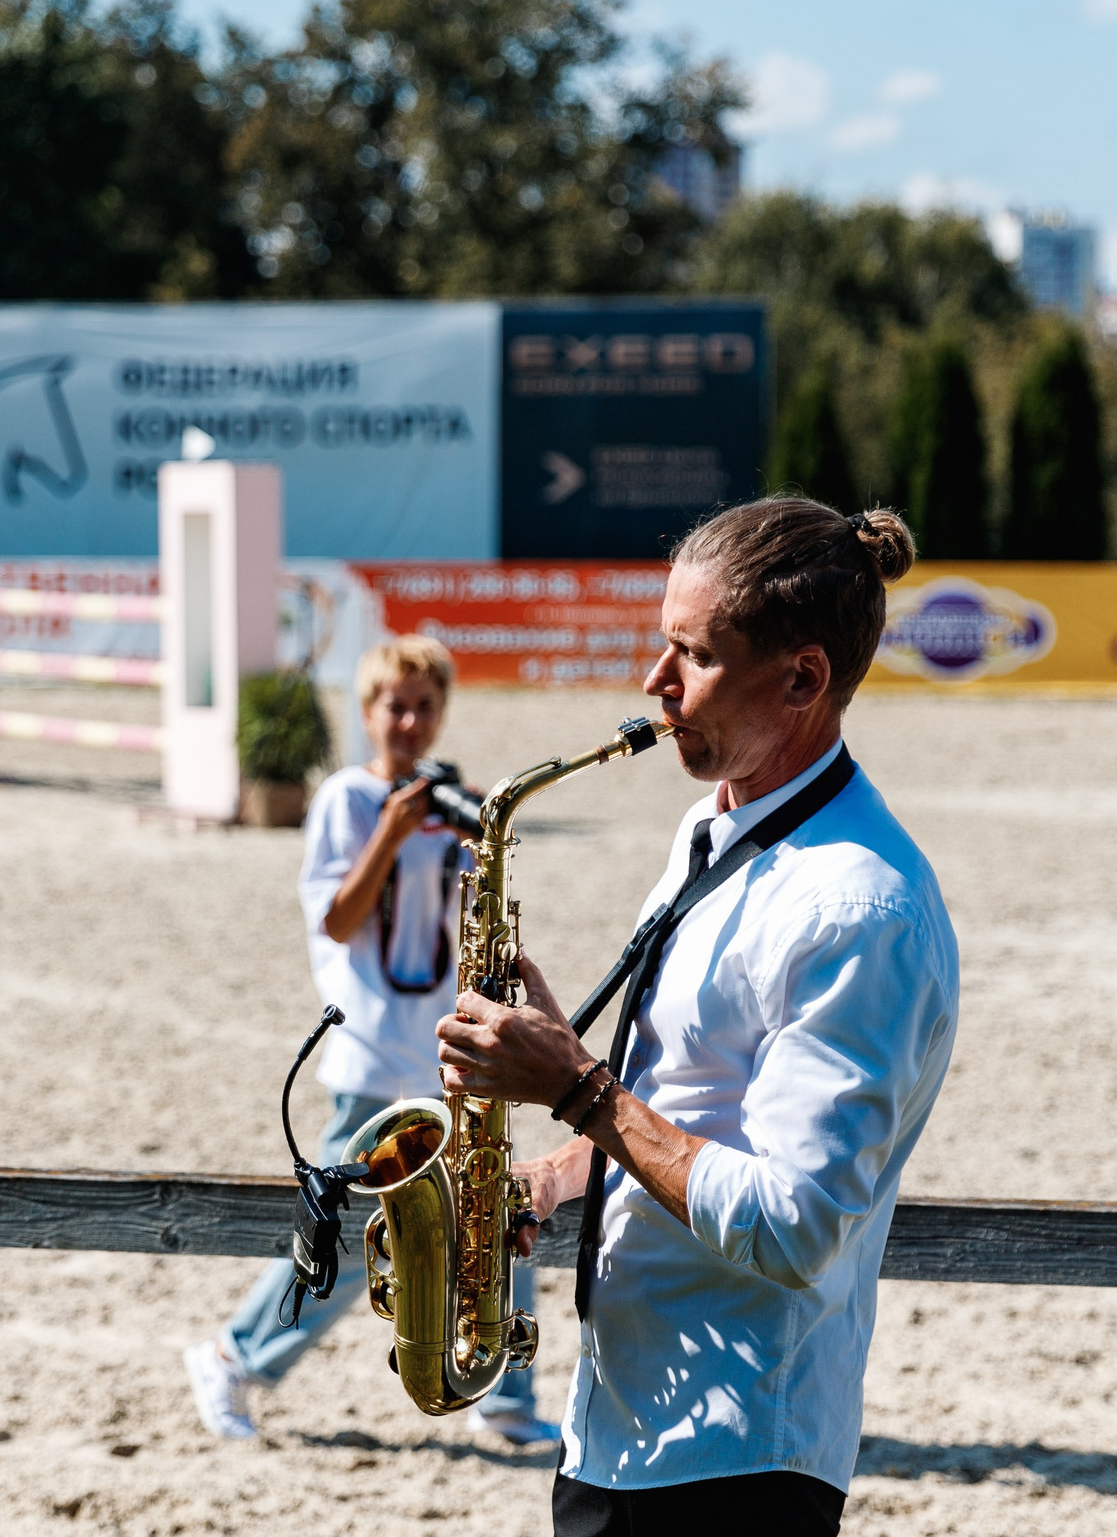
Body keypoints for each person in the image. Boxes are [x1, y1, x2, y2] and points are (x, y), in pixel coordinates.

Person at [435, 498, 959, 1536]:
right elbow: (692, 1102)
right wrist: (553, 1174)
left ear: (802, 678)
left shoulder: (860, 911)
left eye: (695, 654)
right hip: (621, 1422)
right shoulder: (710, 829)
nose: (654, 681)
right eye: (662, 642)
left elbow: (793, 1224)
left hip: (735, 1460)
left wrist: (578, 1088)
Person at [185, 636, 555, 1446]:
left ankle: (503, 1392)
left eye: (426, 707)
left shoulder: (451, 806)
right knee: (350, 1239)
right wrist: (392, 833)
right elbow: (338, 919)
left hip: (448, 1058)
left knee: (492, 1210)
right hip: (369, 1056)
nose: (411, 722)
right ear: (367, 711)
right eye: (396, 706)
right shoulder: (346, 800)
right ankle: (232, 1355)